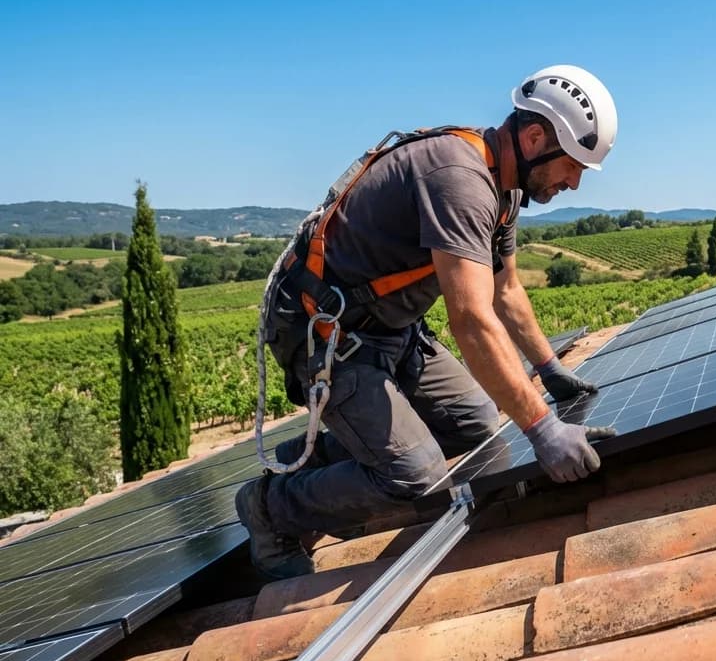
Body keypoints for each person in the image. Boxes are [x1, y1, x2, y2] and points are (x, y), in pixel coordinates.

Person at [235, 65, 618, 579]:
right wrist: (543, 429)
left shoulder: (503, 189)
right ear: (533, 139)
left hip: (391, 331)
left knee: (475, 423)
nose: (574, 182)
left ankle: (320, 458)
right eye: (572, 166)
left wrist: (550, 369)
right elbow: (471, 318)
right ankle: (269, 507)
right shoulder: (460, 180)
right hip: (330, 337)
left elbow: (506, 289)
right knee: (415, 476)